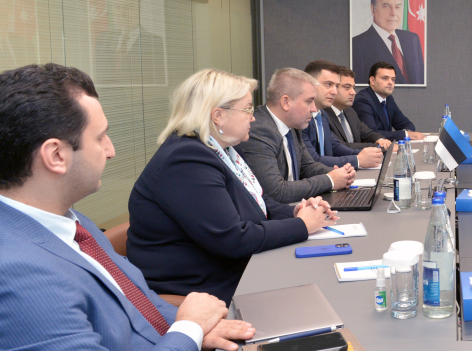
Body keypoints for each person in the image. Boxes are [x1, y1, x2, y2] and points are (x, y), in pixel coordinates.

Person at [0, 63, 255, 351]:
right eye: (100, 137)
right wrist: (188, 332)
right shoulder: (16, 276)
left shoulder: (71, 221)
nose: (112, 150)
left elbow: (141, 307)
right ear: (56, 155)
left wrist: (203, 331)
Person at [127, 68, 340, 305]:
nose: (253, 117)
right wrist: (302, 225)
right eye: (247, 109)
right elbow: (233, 239)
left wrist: (295, 212)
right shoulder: (186, 160)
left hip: (234, 270)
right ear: (218, 116)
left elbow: (256, 201)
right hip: (205, 288)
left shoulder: (225, 149)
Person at [236, 68, 355, 203]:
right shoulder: (259, 131)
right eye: (309, 101)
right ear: (286, 102)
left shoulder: (293, 124)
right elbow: (276, 191)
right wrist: (330, 180)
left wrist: (339, 173)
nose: (314, 109)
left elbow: (307, 166)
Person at [302, 60, 384, 169]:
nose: (334, 92)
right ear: (309, 84)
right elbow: (313, 161)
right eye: (328, 84)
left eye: (336, 86)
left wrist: (366, 155)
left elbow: (335, 146)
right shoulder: (300, 118)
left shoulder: (321, 115)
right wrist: (358, 160)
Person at [351, 0, 425, 85]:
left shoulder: (412, 39)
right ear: (373, 9)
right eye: (386, 6)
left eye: (397, 7)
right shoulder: (357, 44)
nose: (393, 13)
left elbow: (421, 79)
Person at [353, 61, 425, 141]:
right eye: (385, 78)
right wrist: (406, 134)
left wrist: (407, 132)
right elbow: (372, 134)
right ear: (372, 80)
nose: (390, 82)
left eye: (393, 79)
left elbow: (406, 124)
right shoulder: (363, 101)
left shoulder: (388, 99)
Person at [325, 65, 392, 150]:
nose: (353, 92)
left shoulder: (350, 111)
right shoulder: (324, 115)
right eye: (347, 87)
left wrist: (380, 140)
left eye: (353, 88)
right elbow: (341, 146)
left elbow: (367, 133)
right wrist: (379, 147)